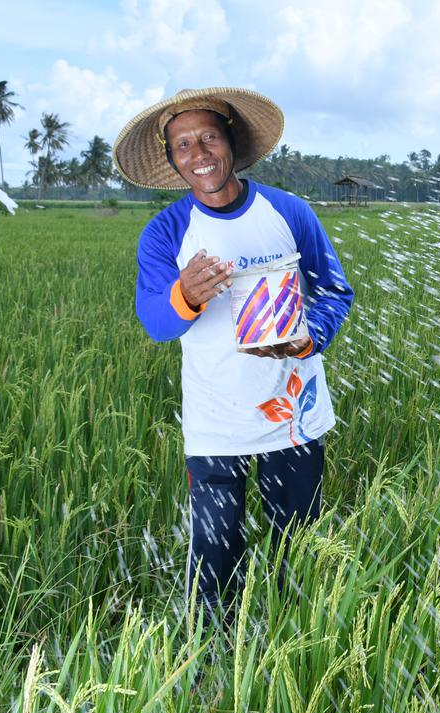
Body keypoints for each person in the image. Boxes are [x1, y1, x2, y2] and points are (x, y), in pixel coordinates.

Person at [113, 88, 353, 622]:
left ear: (230, 142)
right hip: (216, 423)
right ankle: (214, 667)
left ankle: (296, 648)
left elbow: (335, 290)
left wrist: (310, 336)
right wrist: (186, 295)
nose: (197, 153)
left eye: (207, 138)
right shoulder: (166, 233)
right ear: (173, 161)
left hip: (294, 415)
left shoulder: (289, 212)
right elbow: (155, 321)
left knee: (300, 552)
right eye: (182, 145)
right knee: (215, 561)